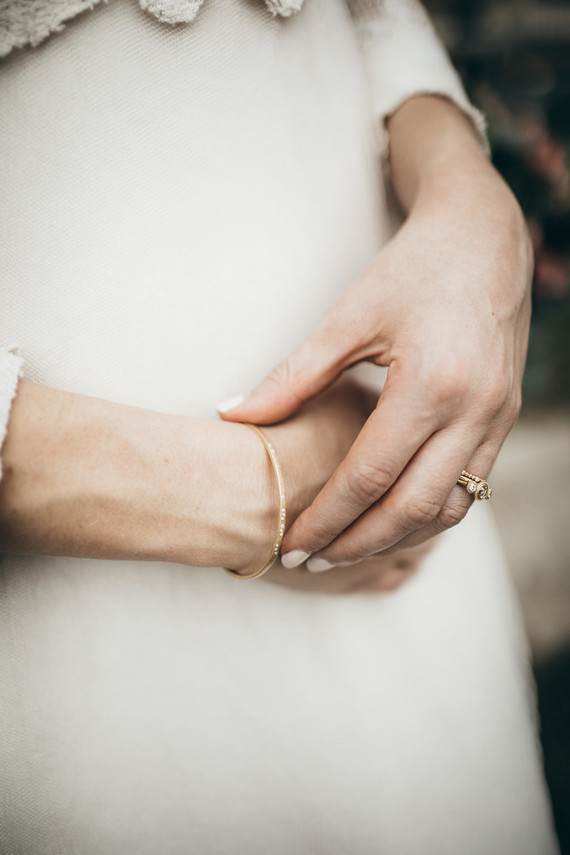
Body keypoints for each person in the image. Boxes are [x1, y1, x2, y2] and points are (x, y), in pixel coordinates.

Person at [0, 0, 560, 852]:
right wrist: (257, 489)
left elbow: (379, 18)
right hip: (78, 629)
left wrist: (463, 185)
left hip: (399, 531)